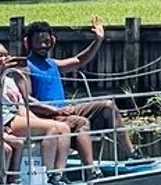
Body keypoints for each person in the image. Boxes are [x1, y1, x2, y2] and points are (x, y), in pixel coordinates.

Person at [23, 18, 141, 169]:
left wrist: (98, 40)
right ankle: (89, 169)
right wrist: (55, 110)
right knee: (81, 122)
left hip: (65, 111)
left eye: (46, 41)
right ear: (28, 43)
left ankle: (132, 154)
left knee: (108, 106)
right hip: (47, 116)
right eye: (39, 42)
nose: (43, 45)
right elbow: (26, 101)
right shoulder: (26, 66)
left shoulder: (53, 64)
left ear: (52, 41)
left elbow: (79, 60)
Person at [0, 39, 73, 185]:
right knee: (51, 129)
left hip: (17, 114)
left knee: (64, 128)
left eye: (6, 55)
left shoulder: (10, 78)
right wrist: (1, 75)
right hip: (4, 118)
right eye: (0, 55)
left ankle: (59, 173)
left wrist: (37, 120)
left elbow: (21, 105)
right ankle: (47, 175)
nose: (5, 59)